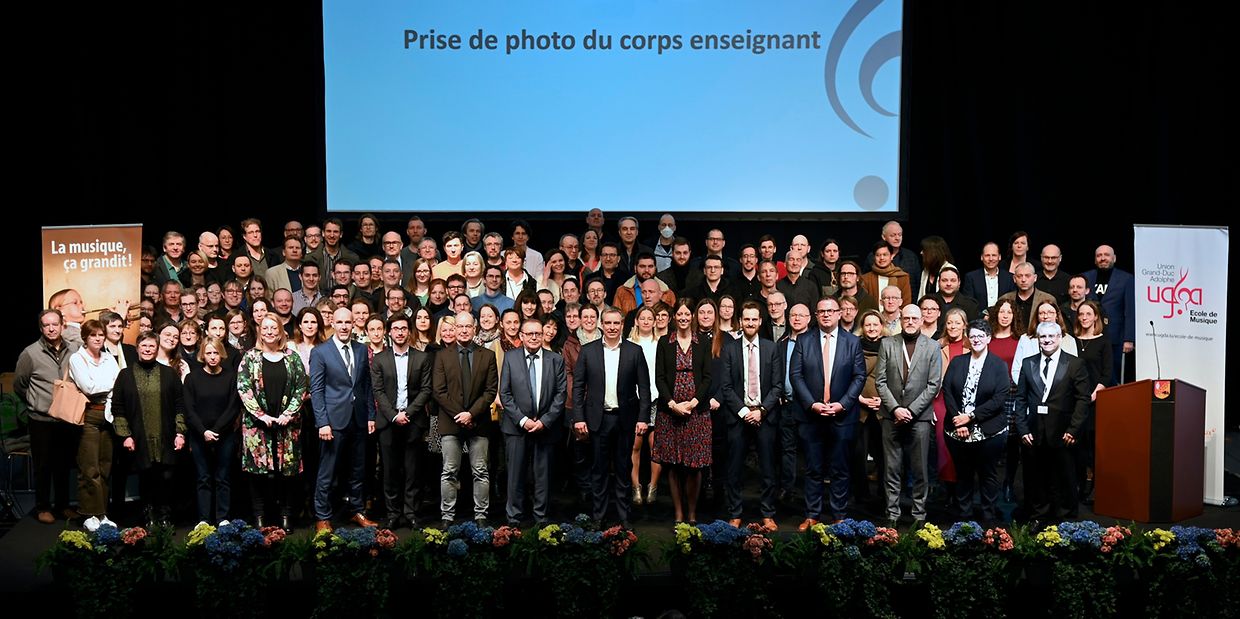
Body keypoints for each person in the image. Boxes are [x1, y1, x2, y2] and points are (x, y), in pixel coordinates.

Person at [789, 297, 866, 530]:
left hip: (842, 416)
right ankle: (812, 514)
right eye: (821, 311)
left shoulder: (852, 342)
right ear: (815, 315)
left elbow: (859, 376)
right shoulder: (803, 340)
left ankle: (838, 515)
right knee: (812, 468)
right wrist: (812, 403)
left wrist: (842, 404)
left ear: (839, 313)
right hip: (812, 415)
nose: (826, 315)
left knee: (840, 469)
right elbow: (795, 376)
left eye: (830, 311)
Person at [572, 307, 651, 527]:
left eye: (616, 323)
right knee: (599, 471)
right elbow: (578, 387)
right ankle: (599, 518)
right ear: (601, 325)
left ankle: (624, 518)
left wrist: (643, 418)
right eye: (608, 323)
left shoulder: (634, 351)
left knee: (624, 470)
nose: (612, 327)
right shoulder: (588, 351)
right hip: (598, 419)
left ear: (623, 325)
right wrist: (579, 417)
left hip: (625, 419)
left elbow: (644, 389)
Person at [1012, 322, 1092, 521]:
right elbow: (1020, 399)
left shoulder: (1075, 364)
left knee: (1065, 478)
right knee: (1035, 479)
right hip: (1033, 433)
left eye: (1051, 336)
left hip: (1063, 433)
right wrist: (1022, 429)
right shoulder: (1028, 362)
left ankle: (1065, 521)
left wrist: (1073, 430)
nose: (1047, 340)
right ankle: (1038, 518)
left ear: (1059, 338)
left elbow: (1082, 399)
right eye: (1042, 337)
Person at [871, 305, 942, 528]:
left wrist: (910, 410)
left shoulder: (932, 347)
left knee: (920, 469)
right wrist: (895, 409)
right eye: (906, 318)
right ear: (900, 319)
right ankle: (892, 513)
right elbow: (880, 381)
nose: (910, 321)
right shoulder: (887, 343)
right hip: (892, 415)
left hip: (919, 417)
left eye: (914, 318)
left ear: (922, 320)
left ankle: (919, 514)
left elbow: (934, 385)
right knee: (892, 468)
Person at [310, 307, 378, 533]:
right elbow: (317, 390)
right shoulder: (321, 352)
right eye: (339, 322)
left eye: (348, 322)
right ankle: (322, 516)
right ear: (333, 324)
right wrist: (323, 422)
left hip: (358, 419)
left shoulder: (361, 349)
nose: (344, 326)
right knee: (327, 471)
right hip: (333, 421)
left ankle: (357, 511)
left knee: (358, 470)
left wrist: (370, 415)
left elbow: (366, 386)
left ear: (353, 324)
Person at [236, 315, 308, 529]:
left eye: (273, 327)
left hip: (288, 425)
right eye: (264, 328)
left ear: (280, 331)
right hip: (257, 427)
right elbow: (244, 388)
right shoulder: (250, 358)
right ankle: (259, 517)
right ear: (259, 331)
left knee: (287, 474)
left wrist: (288, 414)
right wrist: (261, 415)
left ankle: (286, 516)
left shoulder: (292, 358)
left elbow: (300, 388)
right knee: (257, 476)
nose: (269, 331)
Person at [717, 301, 783, 529]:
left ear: (760, 321)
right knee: (734, 468)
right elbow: (725, 387)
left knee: (767, 468)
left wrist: (761, 411)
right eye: (747, 319)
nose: (751, 323)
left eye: (754, 319)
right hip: (738, 416)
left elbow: (777, 386)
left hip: (765, 416)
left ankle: (767, 513)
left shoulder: (771, 348)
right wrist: (745, 412)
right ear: (741, 321)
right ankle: (735, 513)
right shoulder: (730, 349)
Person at [431, 312, 500, 526]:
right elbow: (438, 391)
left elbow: (490, 391)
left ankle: (481, 515)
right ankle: (447, 516)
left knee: (480, 471)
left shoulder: (487, 355)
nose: (463, 330)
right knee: (449, 471)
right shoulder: (442, 356)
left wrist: (471, 414)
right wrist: (460, 415)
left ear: (474, 328)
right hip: (450, 423)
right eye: (459, 327)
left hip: (479, 423)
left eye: (467, 326)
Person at [112, 331, 186, 527]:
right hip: (138, 437)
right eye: (144, 346)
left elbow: (180, 404)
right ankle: (148, 515)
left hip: (166, 436)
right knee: (145, 477)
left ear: (157, 348)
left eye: (152, 346)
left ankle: (164, 515)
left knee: (167, 477)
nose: (147, 349)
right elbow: (117, 407)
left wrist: (180, 432)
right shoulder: (125, 375)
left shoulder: (169, 373)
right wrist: (125, 435)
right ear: (137, 349)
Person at [942, 319, 1012, 524]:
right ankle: (964, 517)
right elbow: (948, 391)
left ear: (989, 338)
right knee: (963, 474)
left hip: (988, 431)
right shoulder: (958, 362)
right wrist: (960, 421)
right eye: (972, 336)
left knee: (987, 474)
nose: (976, 340)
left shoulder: (998, 365)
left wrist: (970, 418)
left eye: (981, 336)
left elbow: (999, 398)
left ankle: (988, 516)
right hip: (956, 429)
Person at [499, 318, 567, 526]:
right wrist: (523, 420)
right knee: (515, 476)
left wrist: (544, 421)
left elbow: (560, 394)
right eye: (529, 334)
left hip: (545, 428)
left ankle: (541, 518)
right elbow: (505, 393)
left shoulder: (555, 359)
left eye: (538, 333)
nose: (534, 337)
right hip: (516, 428)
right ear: (521, 336)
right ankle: (514, 518)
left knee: (543, 477)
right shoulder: (510, 358)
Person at [14, 310, 79, 524]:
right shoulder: (30, 353)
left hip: (65, 418)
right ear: (41, 328)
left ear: (62, 326)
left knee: (64, 464)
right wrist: (38, 401)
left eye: (55, 324)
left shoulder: (74, 349)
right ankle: (43, 506)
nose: (51, 328)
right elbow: (20, 385)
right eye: (46, 325)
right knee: (43, 465)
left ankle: (63, 505)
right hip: (41, 419)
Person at [371, 314, 434, 529]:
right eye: (395, 328)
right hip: (388, 422)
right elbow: (378, 391)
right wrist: (394, 415)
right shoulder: (379, 359)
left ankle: (411, 513)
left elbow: (426, 389)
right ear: (389, 332)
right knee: (389, 471)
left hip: (414, 421)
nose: (399, 332)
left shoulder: (422, 358)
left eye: (403, 328)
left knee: (412, 471)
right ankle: (392, 514)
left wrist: (407, 413)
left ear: (409, 331)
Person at [653, 300, 713, 525]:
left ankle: (692, 512)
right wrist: (672, 404)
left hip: (697, 413)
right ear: (674, 317)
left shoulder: (703, 343)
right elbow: (659, 376)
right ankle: (678, 512)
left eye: (688, 314)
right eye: (680, 314)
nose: (684, 318)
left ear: (693, 317)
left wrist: (693, 403)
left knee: (694, 465)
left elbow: (708, 377)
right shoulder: (664, 342)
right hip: (670, 412)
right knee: (674, 464)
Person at [68, 320, 120, 529]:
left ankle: (102, 513)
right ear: (85, 338)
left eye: (100, 335)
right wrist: (108, 386)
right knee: (89, 467)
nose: (98, 339)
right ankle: (90, 513)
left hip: (107, 415)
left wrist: (107, 387)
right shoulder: (77, 358)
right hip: (87, 415)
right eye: (93, 335)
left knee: (105, 465)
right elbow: (89, 387)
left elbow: (119, 383)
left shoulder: (108, 358)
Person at [184, 336, 241, 525]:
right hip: (199, 435)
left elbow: (233, 407)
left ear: (221, 354)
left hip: (225, 434)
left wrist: (215, 430)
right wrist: (203, 432)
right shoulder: (192, 378)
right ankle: (204, 520)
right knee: (203, 478)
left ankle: (223, 518)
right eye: (208, 353)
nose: (213, 357)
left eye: (216, 352)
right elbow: (189, 409)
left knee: (223, 477)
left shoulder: (230, 376)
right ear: (202, 355)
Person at [1072, 300, 1112, 504]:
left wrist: (1093, 394)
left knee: (1092, 444)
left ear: (1096, 316)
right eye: (1081, 314)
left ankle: (1093, 482)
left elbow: (1106, 374)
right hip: (1074, 400)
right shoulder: (1072, 340)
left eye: (1089, 314)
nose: (1085, 317)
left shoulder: (1103, 341)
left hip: (1095, 400)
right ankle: (1078, 482)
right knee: (1076, 445)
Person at [1081, 244, 1135, 385]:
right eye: (1099, 255)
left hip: (1115, 337)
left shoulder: (1126, 279)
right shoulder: (1086, 277)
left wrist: (1129, 339)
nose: (1103, 258)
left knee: (1112, 376)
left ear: (1114, 258)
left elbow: (1130, 310)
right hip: (1089, 335)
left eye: (1106, 255)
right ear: (1095, 259)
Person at [627, 306, 662, 507]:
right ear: (637, 321)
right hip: (636, 400)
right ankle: (636, 487)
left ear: (655, 321)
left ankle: (653, 487)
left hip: (657, 400)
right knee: (635, 445)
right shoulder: (629, 344)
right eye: (643, 318)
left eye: (650, 318)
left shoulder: (661, 343)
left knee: (655, 446)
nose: (647, 321)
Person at [1011, 301, 1079, 383]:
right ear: (1037, 317)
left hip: (1060, 393)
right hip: (1031, 393)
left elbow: (1073, 370)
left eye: (1050, 312)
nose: (1046, 316)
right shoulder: (1025, 339)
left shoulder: (1069, 340)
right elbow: (1016, 370)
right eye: (1041, 313)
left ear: (1057, 315)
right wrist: (1028, 388)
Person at [962, 242, 1015, 309]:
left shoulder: (1009, 278)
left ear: (999, 257)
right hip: (979, 318)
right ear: (982, 257)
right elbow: (968, 303)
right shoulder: (971, 277)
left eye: (994, 255)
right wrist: (983, 316)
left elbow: (1013, 303)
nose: (991, 259)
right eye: (987, 255)